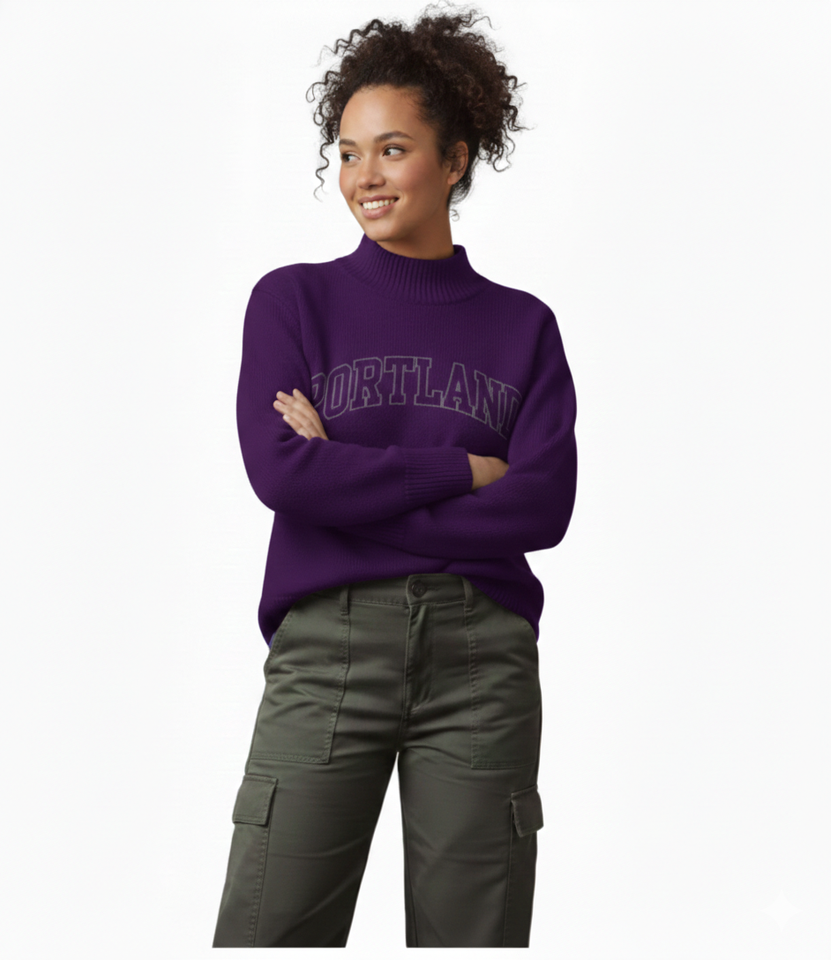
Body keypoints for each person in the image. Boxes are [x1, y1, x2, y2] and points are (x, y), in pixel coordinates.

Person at [212, 2, 577, 948]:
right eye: (346, 153)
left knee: (472, 940)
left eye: (392, 149)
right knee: (269, 932)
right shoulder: (292, 302)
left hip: (481, 660)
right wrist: (463, 470)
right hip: (327, 652)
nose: (363, 176)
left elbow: (542, 506)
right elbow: (282, 475)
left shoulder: (523, 326)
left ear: (454, 159)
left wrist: (346, 483)